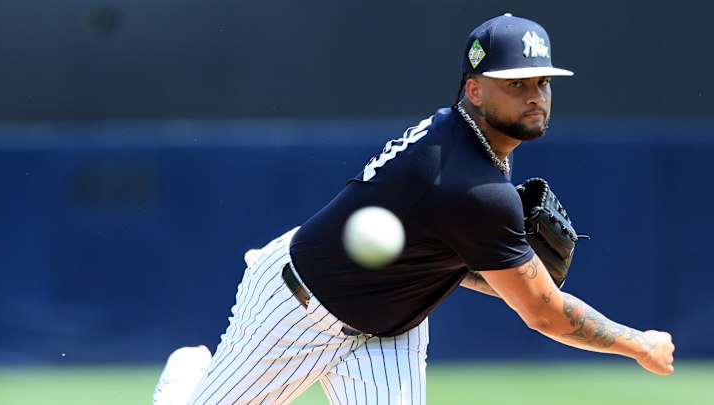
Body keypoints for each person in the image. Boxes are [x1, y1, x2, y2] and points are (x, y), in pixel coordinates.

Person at [153, 13, 675, 405]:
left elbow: (449, 256)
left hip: (391, 328)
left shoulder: (470, 141)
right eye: (515, 84)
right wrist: (639, 344)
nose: (535, 95)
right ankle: (185, 385)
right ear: (474, 90)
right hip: (297, 309)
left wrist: (509, 271)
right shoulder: (469, 183)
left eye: (542, 82)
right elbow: (543, 313)